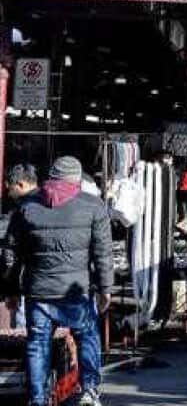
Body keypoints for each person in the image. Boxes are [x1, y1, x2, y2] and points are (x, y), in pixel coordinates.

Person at [9, 156, 111, 406]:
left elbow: (12, 254)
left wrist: (12, 290)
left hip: (39, 291)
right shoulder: (93, 206)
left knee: (38, 345)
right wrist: (105, 288)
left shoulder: (26, 207)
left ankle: (38, 398)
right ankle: (89, 391)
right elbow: (102, 253)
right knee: (87, 337)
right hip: (76, 291)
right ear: (77, 179)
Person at [2, 165, 40, 329]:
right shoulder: (54, 206)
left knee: (27, 334)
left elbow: (10, 254)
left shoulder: (22, 211)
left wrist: (11, 290)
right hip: (59, 287)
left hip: (28, 284)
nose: (9, 194)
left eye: (10, 189)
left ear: (21, 184)